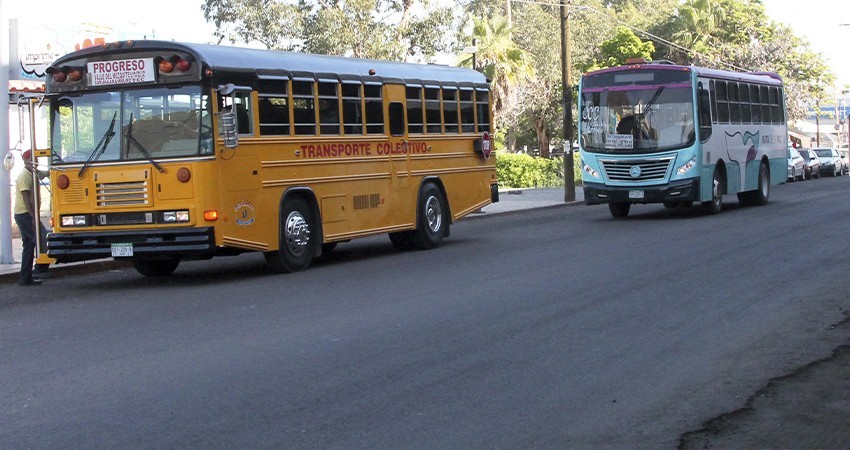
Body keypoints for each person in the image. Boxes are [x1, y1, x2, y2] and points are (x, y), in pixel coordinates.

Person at [14, 150, 50, 286]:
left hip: (26, 214)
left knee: (29, 245)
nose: (37, 161)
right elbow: (26, 198)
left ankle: (25, 278)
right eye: (34, 159)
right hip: (24, 214)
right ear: (27, 160)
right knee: (42, 239)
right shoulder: (24, 176)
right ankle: (40, 269)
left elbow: (46, 173)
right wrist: (33, 216)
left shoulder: (33, 173)